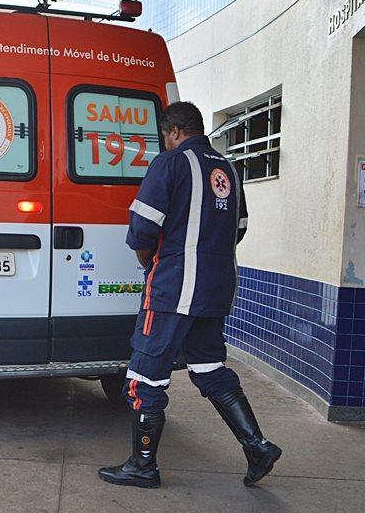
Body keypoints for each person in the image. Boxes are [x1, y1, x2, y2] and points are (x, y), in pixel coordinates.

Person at [98, 101, 282, 490]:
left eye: (165, 137)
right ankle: (257, 446)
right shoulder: (230, 169)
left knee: (143, 378)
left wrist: (155, 265)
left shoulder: (171, 163)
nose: (166, 143)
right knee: (209, 368)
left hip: (173, 291)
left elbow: (143, 231)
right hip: (217, 290)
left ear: (174, 132)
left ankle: (143, 465)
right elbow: (239, 229)